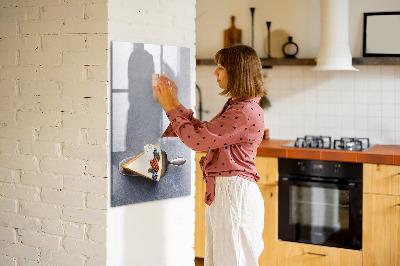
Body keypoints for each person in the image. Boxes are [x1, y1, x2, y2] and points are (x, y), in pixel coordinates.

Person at [153, 44, 266, 266]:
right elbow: (205, 133)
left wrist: (169, 108)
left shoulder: (243, 111)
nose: (215, 72)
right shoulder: (239, 106)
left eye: (221, 67)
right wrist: (175, 103)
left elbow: (196, 141)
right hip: (228, 193)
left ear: (237, 71)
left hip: (234, 195)